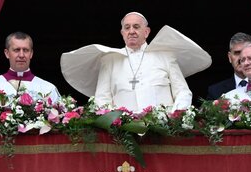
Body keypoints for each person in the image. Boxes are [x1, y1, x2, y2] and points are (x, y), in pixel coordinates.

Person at [60, 12, 211, 113]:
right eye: (127, 27)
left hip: (163, 134)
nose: (131, 31)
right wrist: (114, 122)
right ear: (122, 33)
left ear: (146, 32)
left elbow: (182, 92)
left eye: (136, 27)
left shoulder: (165, 56)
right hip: (124, 137)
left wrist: (175, 117)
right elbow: (102, 99)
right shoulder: (110, 60)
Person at [0, 31, 60, 102]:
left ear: (31, 54)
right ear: (7, 53)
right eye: (16, 50)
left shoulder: (48, 88)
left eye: (25, 50)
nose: (21, 55)